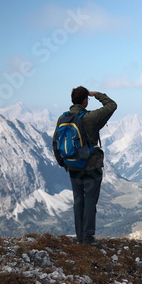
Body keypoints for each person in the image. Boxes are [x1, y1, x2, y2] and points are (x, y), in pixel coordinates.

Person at [55, 86, 117, 244]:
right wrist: (96, 94)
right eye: (87, 98)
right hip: (91, 167)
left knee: (78, 200)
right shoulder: (91, 118)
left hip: (73, 166)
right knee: (90, 201)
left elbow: (56, 143)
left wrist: (64, 163)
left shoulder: (63, 118)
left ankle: (79, 237)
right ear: (85, 101)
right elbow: (112, 105)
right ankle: (88, 237)